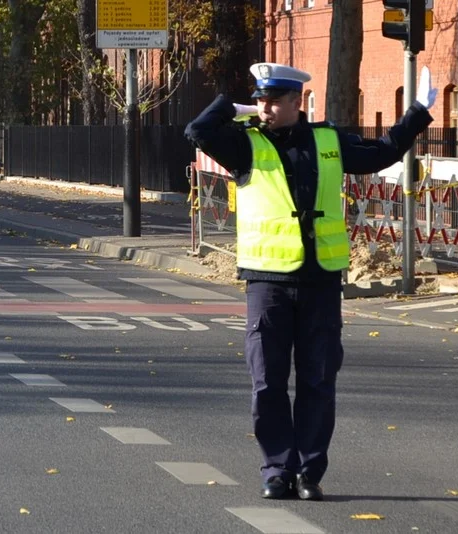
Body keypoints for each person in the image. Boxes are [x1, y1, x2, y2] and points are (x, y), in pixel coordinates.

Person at [184, 63, 436, 501]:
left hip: (320, 279)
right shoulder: (246, 145)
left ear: (297, 102)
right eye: (260, 99)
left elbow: (381, 154)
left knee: (319, 381)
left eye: (274, 100)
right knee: (268, 382)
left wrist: (416, 113)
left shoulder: (327, 141)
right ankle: (277, 470)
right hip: (267, 282)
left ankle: (309, 473)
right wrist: (236, 107)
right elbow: (198, 130)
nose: (266, 107)